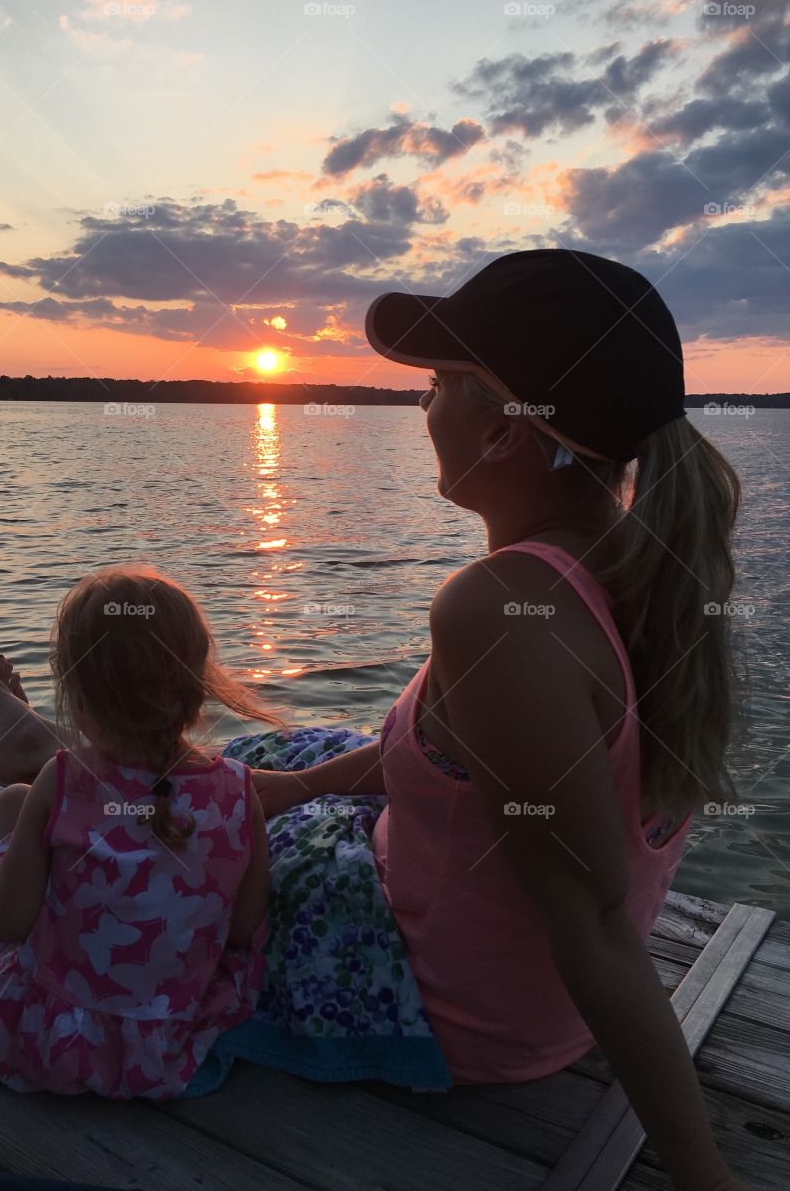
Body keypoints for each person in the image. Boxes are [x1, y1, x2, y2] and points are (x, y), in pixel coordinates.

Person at [254, 249, 750, 1191]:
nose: (423, 406)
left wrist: (702, 1173)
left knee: (149, 847)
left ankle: (41, 780)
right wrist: (301, 789)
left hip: (437, 1009)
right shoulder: (639, 571)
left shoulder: (499, 611)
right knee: (273, 756)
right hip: (516, 991)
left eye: (439, 383)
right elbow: (464, 767)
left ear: (506, 432)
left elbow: (596, 923)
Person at [0, 565, 277, 1101]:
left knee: (12, 802)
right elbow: (243, 931)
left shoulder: (63, 779)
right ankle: (18, 730)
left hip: (36, 1043)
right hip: (168, 1052)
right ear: (197, 691)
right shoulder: (240, 791)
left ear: (76, 698)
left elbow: (8, 923)